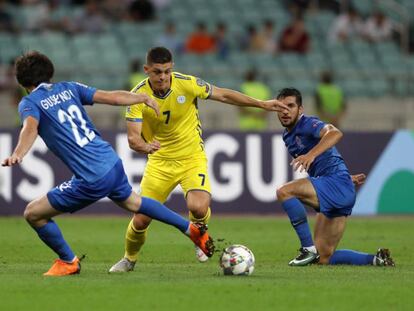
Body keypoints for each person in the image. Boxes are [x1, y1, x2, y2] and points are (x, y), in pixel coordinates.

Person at [1, 51, 214, 276]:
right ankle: (190, 229)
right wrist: (140, 97)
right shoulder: (69, 87)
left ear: (23, 82)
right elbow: (111, 97)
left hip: (91, 177)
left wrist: (18, 153)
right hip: (111, 162)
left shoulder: (29, 102)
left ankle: (68, 261)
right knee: (135, 203)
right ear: (49, 73)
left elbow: (30, 128)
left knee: (33, 213)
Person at [109, 46, 287, 272]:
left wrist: (261, 104)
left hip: (192, 157)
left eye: (166, 71)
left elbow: (223, 94)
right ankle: (129, 258)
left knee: (199, 207)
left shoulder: (188, 83)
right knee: (142, 219)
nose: (162, 76)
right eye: (156, 72)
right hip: (160, 162)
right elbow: (133, 139)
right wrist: (145, 146)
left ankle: (199, 236)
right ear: (147, 70)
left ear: (172, 67)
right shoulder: (136, 97)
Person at [274, 88, 395, 267]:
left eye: (290, 106)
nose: (285, 111)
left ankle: (307, 248)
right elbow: (327, 158)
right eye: (280, 107)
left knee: (284, 192)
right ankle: (377, 260)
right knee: (324, 258)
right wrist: (347, 177)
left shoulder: (308, 123)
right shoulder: (287, 136)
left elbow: (335, 133)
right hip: (339, 185)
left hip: (335, 184)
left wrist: (311, 155)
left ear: (300, 109)